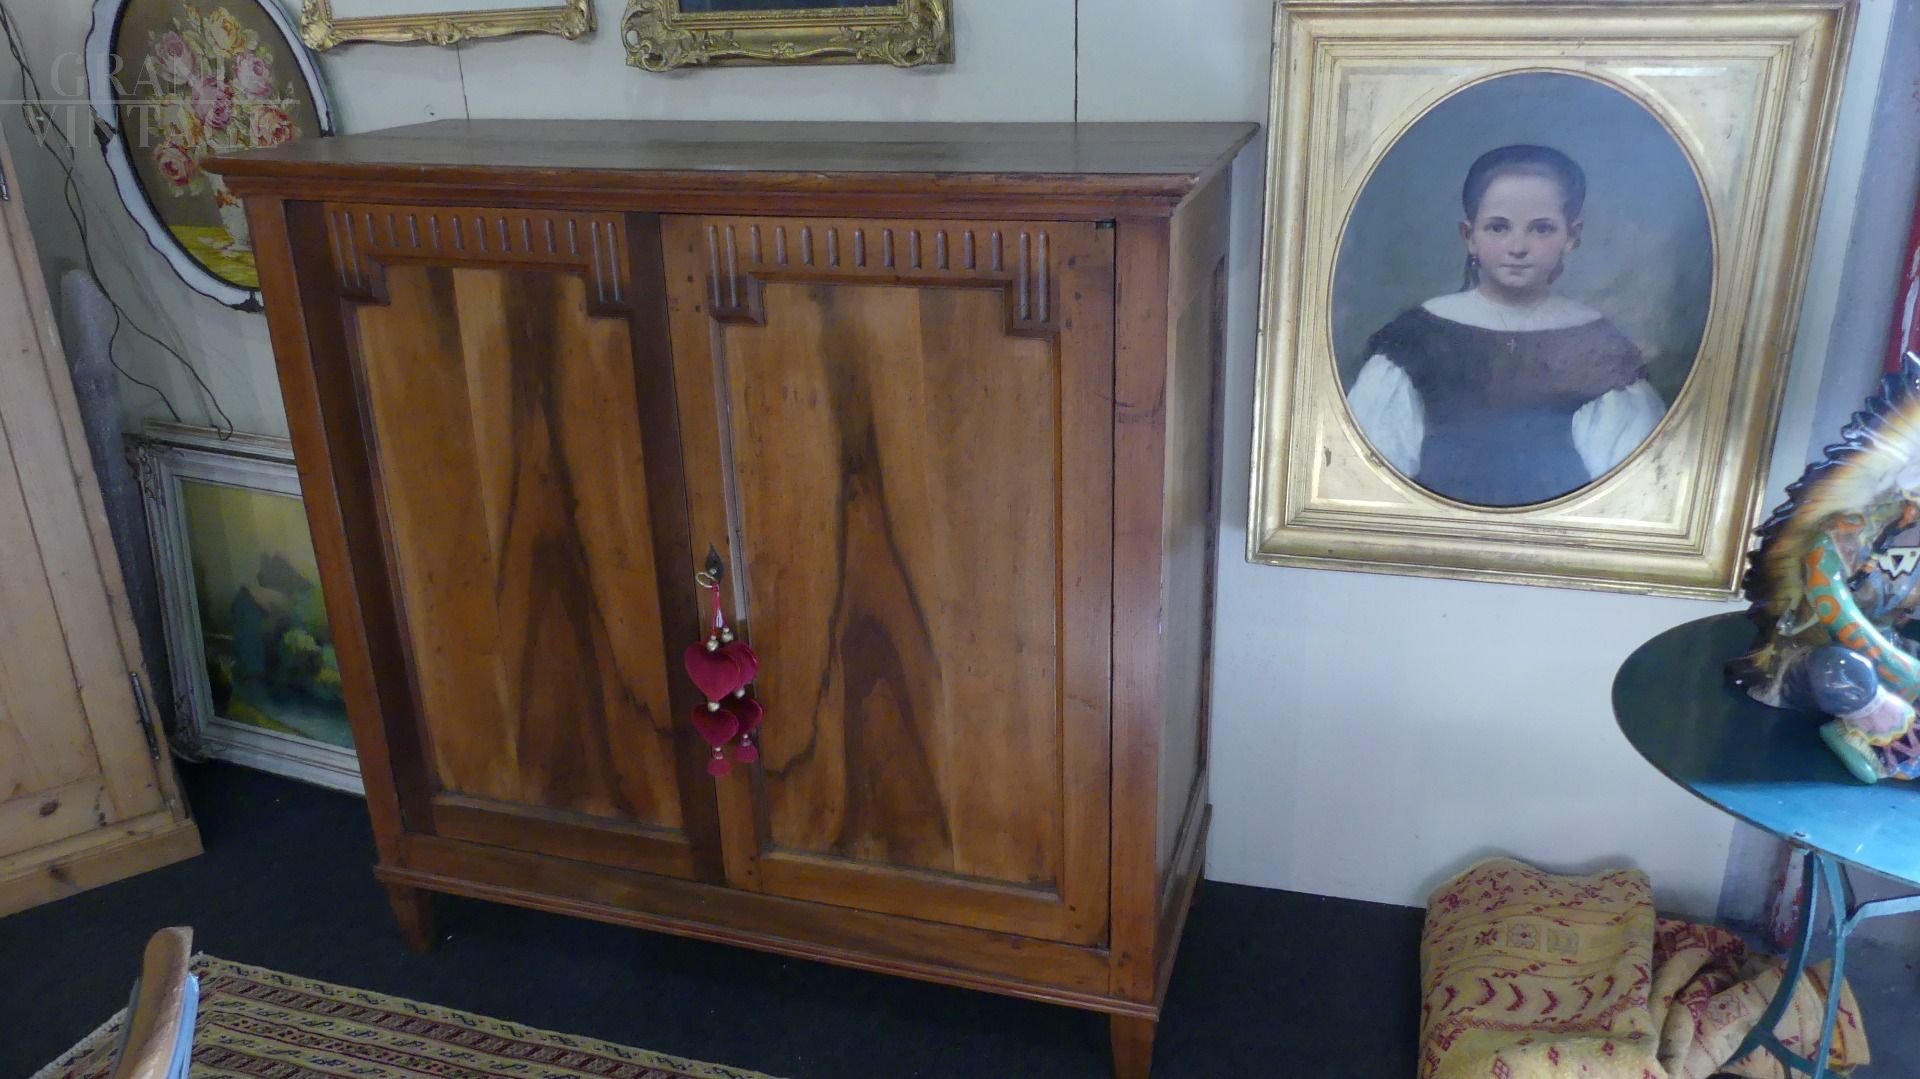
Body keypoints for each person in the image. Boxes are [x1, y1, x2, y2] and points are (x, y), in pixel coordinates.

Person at [1347, 144, 1666, 507]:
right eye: (1498, 227)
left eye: (1541, 229)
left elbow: (1629, 485)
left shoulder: (1600, 348)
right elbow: (1373, 473)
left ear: (1572, 236)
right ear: (1469, 235)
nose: (1518, 247)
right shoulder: (1416, 341)